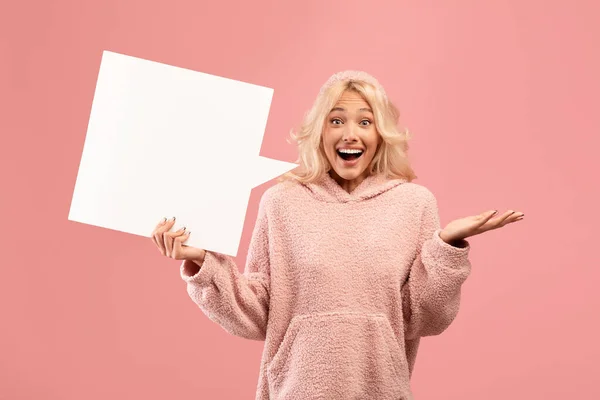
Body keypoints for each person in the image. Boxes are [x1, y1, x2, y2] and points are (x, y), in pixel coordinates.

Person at [151, 70, 524, 399]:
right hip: (296, 390)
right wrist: (202, 262)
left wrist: (447, 247)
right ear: (319, 131)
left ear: (381, 133)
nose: (350, 133)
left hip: (382, 390)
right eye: (336, 120)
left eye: (365, 121)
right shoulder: (281, 202)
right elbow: (258, 311)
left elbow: (424, 318)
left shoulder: (414, 204)